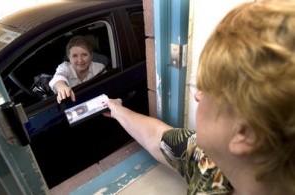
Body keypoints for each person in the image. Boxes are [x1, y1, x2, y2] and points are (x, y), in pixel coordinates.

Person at [103, 1, 295, 194]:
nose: (197, 96)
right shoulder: (210, 165)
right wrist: (119, 111)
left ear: (245, 134)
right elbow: (156, 137)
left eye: (206, 88)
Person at [49, 35, 106, 103]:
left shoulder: (99, 68)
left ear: (91, 55)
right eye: (74, 56)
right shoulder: (65, 67)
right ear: (68, 57)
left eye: (84, 55)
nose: (80, 60)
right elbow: (57, 78)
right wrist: (62, 88)